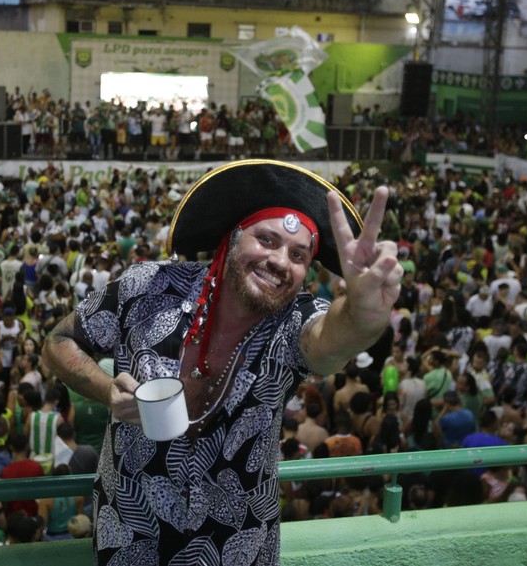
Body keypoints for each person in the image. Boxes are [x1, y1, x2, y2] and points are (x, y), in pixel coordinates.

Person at [43, 160, 401, 565]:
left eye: (299, 255)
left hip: (238, 547)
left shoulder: (293, 321)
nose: (281, 261)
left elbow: (329, 342)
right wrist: (105, 390)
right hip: (129, 538)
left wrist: (362, 315)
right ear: (231, 238)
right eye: (266, 240)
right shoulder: (145, 288)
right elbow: (59, 340)